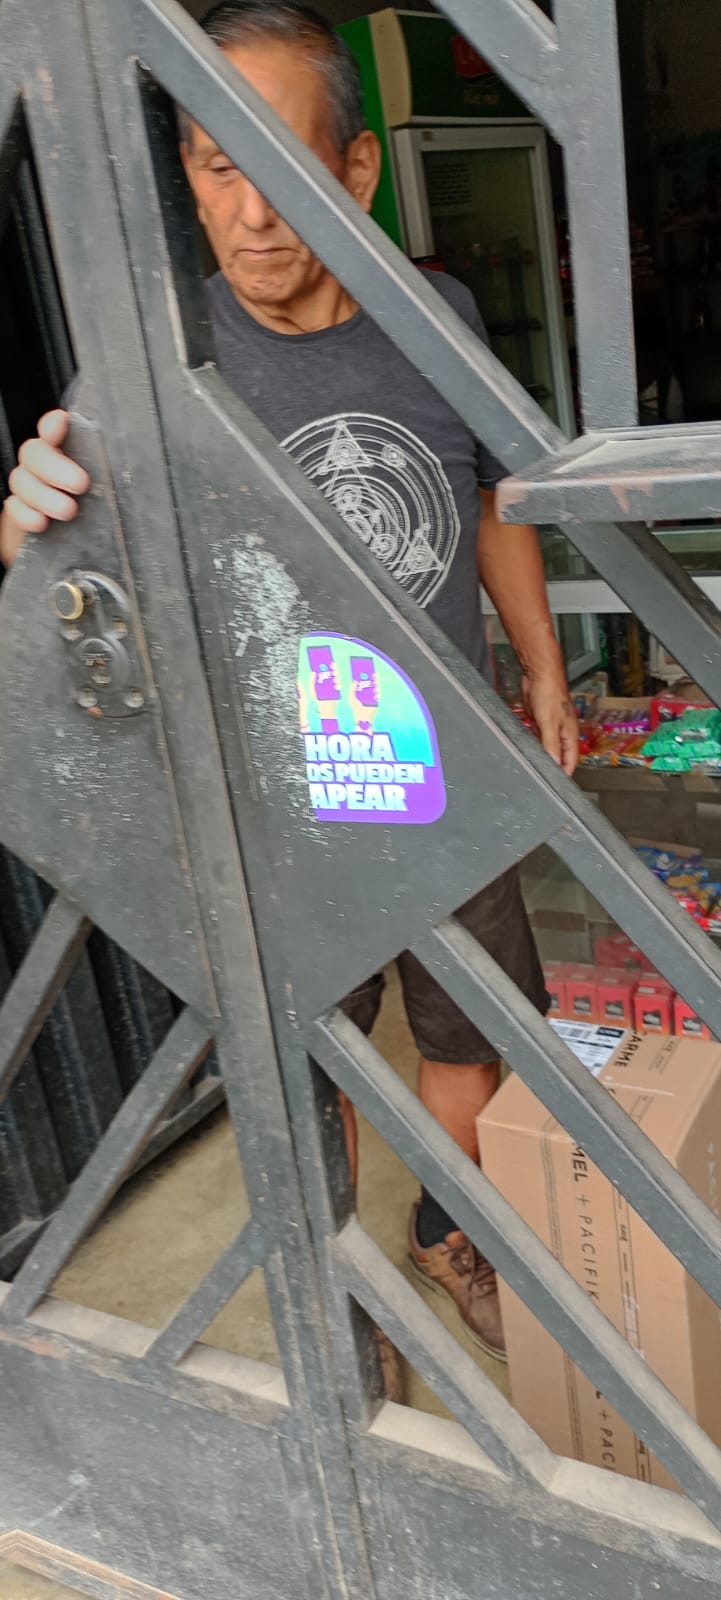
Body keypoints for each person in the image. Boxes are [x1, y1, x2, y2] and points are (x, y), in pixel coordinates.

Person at [0, 0, 577, 1364]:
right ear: (185, 178)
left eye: (277, 163)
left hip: (444, 763)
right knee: (307, 1051)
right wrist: (27, 531)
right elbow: (76, 585)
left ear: (355, 168)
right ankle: (339, 1302)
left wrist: (543, 676)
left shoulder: (435, 317)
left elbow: (489, 497)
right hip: (276, 801)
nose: (251, 214)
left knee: (471, 1032)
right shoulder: (154, 367)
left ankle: (442, 1230)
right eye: (215, 167)